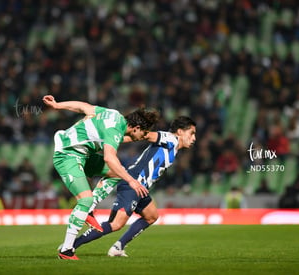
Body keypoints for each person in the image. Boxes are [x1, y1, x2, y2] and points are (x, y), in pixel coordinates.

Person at [43, 95, 159, 260]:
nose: (143, 136)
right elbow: (109, 158)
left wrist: (57, 105)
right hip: (67, 154)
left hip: (83, 155)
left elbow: (83, 106)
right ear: (136, 127)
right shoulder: (115, 130)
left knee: (115, 173)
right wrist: (132, 181)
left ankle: (90, 209)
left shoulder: (113, 115)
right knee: (86, 199)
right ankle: (67, 250)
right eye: (144, 132)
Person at [69, 116, 196, 257]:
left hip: (141, 188)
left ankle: (118, 247)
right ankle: (72, 245)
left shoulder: (174, 147)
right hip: (133, 183)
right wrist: (119, 137)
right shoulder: (170, 138)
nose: (194, 138)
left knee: (151, 216)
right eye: (191, 133)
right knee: (115, 224)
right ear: (179, 131)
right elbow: (146, 135)